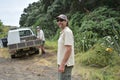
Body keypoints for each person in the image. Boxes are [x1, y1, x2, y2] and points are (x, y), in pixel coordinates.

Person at [56, 14, 75, 80]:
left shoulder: (67, 32)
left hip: (66, 64)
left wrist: (62, 64)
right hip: (62, 63)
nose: (59, 22)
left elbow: (69, 49)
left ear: (66, 21)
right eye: (58, 20)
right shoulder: (63, 32)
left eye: (61, 20)